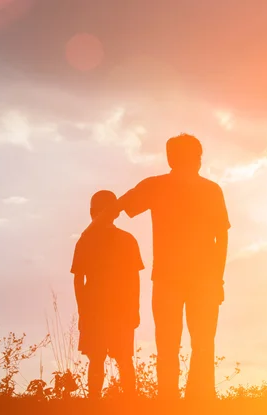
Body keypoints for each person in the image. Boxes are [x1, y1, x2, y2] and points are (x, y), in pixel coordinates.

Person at [88, 134, 230, 400]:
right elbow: (221, 239)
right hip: (195, 279)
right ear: (193, 159)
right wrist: (217, 279)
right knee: (201, 343)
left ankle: (171, 401)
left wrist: (91, 231)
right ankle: (198, 401)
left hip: (172, 279)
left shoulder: (157, 186)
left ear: (170, 159)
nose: (198, 161)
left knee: (169, 344)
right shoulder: (209, 190)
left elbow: (118, 206)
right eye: (197, 156)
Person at [71, 190, 144, 399]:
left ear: (91, 212)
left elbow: (78, 280)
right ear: (116, 213)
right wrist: (135, 309)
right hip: (120, 308)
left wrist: (82, 310)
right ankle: (131, 404)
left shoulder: (85, 240)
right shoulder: (127, 239)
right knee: (124, 359)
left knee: (97, 359)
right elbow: (134, 280)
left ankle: (94, 402)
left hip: (95, 309)